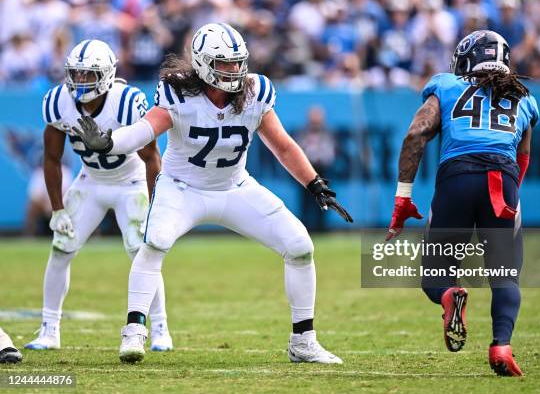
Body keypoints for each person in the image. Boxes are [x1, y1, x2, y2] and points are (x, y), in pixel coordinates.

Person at [73, 23, 353, 364]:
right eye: (226, 64)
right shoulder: (179, 93)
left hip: (235, 187)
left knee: (300, 245)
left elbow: (281, 145)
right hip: (181, 189)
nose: (235, 71)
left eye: (238, 62)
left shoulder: (255, 92)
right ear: (204, 64)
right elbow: (145, 130)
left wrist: (313, 182)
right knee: (155, 242)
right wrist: (111, 142)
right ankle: (134, 330)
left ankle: (303, 341)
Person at [386, 30, 538, 377]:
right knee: (506, 275)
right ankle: (501, 346)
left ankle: (449, 293)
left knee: (434, 276)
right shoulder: (525, 98)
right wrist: (509, 194)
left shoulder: (446, 85)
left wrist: (403, 197)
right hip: (503, 180)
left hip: (456, 178)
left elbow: (415, 135)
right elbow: (523, 156)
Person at [25, 39, 173, 352]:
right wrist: (57, 209)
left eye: (87, 74)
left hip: (130, 181)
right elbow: (50, 158)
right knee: (61, 249)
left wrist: (155, 205)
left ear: (106, 75)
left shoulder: (127, 101)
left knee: (141, 252)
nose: (80, 81)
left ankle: (160, 328)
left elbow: (151, 158)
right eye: (75, 74)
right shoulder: (57, 102)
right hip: (90, 180)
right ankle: (49, 329)